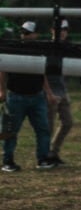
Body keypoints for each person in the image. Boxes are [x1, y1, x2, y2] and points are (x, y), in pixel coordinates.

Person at [1, 21, 57, 171]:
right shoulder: (13, 48)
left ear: (36, 34)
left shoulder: (39, 50)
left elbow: (42, 73)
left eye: (28, 33)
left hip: (36, 96)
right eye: (23, 32)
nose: (24, 35)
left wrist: (48, 92)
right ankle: (7, 161)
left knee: (43, 129)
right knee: (10, 130)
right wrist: (1, 90)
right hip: (16, 95)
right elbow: (3, 69)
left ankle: (43, 159)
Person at [43, 19, 73, 167]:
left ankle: (53, 152)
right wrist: (48, 92)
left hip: (62, 89)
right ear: (52, 30)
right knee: (48, 125)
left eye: (65, 29)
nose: (62, 32)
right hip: (51, 90)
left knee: (67, 122)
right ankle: (45, 155)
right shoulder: (47, 48)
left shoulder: (67, 48)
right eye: (59, 29)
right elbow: (41, 72)